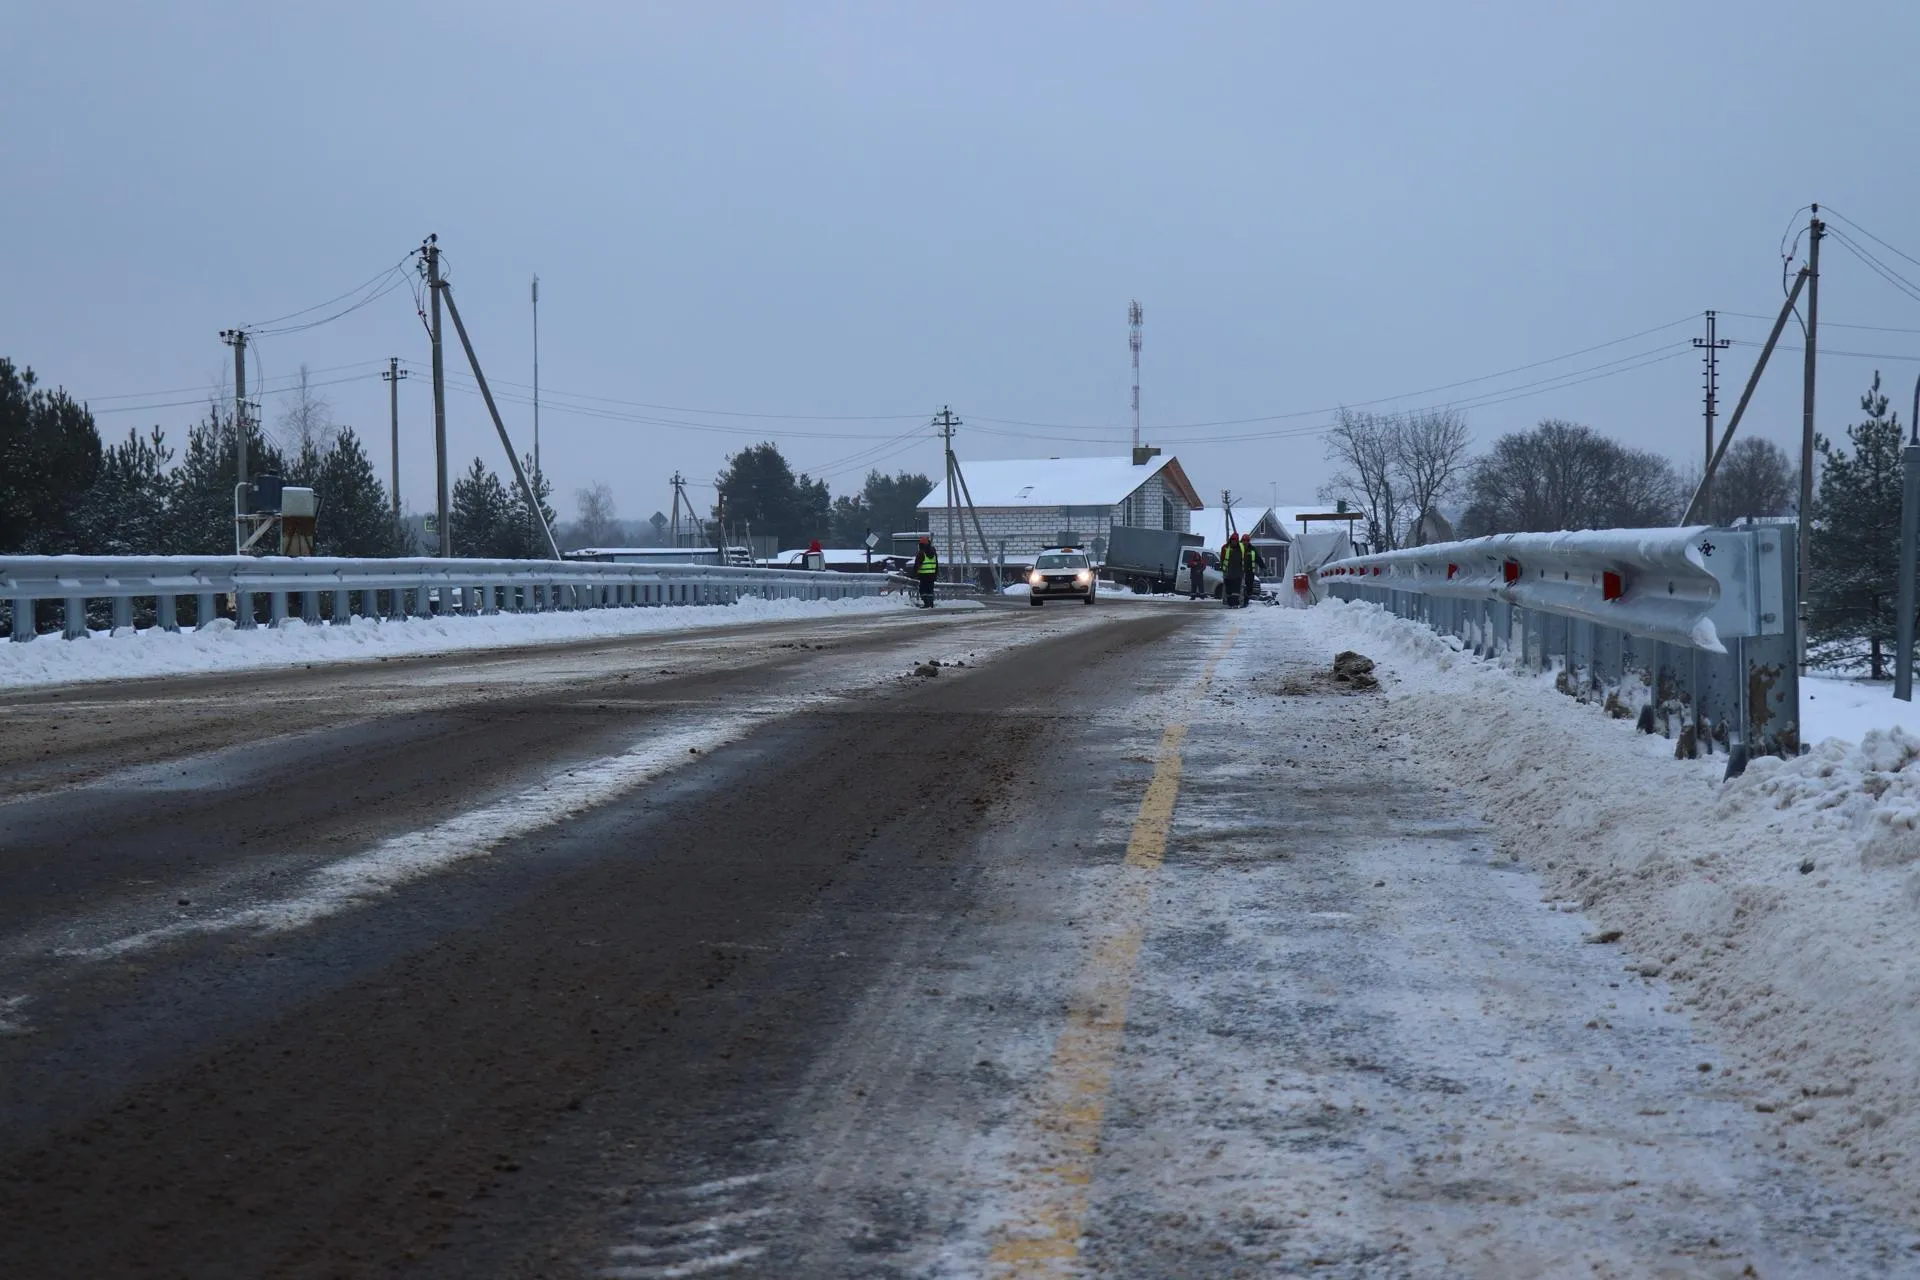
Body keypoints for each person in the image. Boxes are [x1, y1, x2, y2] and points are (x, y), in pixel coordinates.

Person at [914, 535, 939, 608]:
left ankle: (926, 604)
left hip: (923, 575)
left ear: (921, 545)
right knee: (930, 590)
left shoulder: (921, 553)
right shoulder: (934, 553)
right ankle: (930, 604)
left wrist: (913, 574)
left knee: (923, 590)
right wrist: (936, 574)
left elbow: (917, 565)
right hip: (932, 575)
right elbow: (937, 564)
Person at [1220, 534, 1243, 607]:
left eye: (1235, 540)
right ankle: (1230, 603)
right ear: (1230, 540)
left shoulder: (1241, 548)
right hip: (1228, 573)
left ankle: (1235, 603)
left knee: (1236, 590)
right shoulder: (1225, 547)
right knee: (1229, 590)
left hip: (1238, 573)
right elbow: (1222, 559)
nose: (1234, 542)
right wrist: (1223, 568)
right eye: (1232, 540)